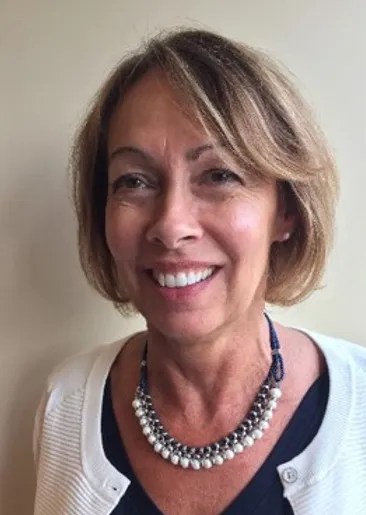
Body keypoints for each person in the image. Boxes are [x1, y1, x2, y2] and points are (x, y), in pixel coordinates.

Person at [33, 28, 366, 515]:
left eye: (218, 175)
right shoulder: (65, 406)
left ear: (286, 211)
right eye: (135, 181)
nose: (170, 226)